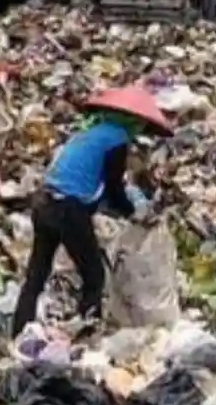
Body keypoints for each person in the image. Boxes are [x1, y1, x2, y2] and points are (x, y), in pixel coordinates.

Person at [10, 85, 173, 337]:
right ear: (132, 121)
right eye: (139, 125)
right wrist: (135, 213)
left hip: (43, 203)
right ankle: (89, 335)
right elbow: (113, 187)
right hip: (67, 209)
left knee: (37, 273)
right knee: (94, 276)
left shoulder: (89, 133)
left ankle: (18, 332)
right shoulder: (117, 140)